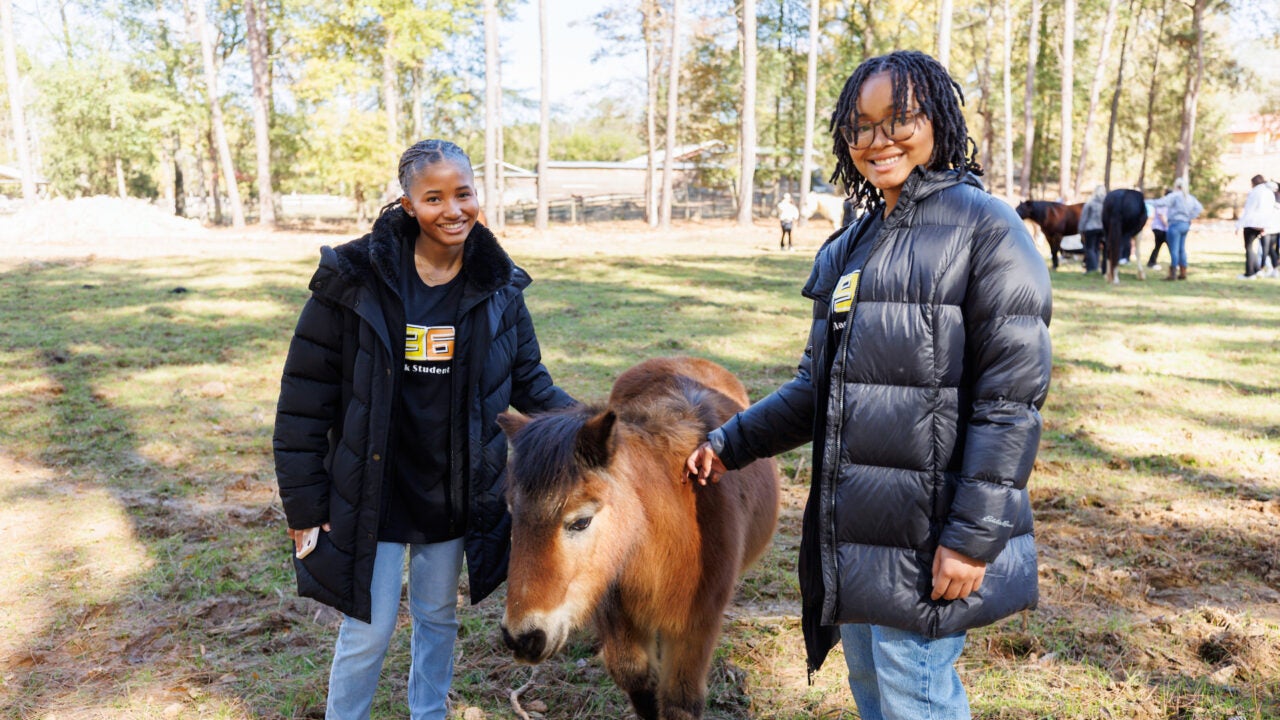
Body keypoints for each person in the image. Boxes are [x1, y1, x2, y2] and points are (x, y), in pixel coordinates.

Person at [685, 50, 1052, 720]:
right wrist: (729, 442)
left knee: (917, 698)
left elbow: (1011, 406)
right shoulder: (849, 246)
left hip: (929, 536)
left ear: (938, 118)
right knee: (876, 695)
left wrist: (971, 538)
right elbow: (814, 389)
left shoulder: (987, 231)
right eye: (860, 126)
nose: (877, 140)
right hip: (852, 535)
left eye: (899, 119)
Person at [273, 138, 576, 720]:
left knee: (439, 617)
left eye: (463, 193)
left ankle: (429, 713)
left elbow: (531, 384)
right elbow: (303, 405)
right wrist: (304, 507)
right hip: (371, 495)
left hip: (453, 495)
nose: (453, 209)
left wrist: (597, 427)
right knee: (367, 632)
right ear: (408, 203)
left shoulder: (498, 288)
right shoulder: (352, 280)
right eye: (433, 197)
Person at [1150, 176, 1204, 280]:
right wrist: (1189, 217)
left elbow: (1160, 203)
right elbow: (1199, 208)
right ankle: (1183, 272)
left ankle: (1173, 273)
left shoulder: (1175, 196)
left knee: (1174, 250)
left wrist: (1147, 202)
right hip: (1185, 224)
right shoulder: (1189, 197)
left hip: (1175, 224)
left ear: (1176, 186)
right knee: (1182, 249)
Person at [1237, 174, 1273, 279]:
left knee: (1249, 248)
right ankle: (1257, 270)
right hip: (1264, 224)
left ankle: (1250, 272)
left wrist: (1239, 224)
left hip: (1252, 223)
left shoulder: (1255, 192)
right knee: (1259, 248)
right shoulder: (1269, 192)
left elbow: (1249, 209)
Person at [1079, 184, 1106, 274]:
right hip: (1101, 229)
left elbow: (1084, 217)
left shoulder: (1090, 202)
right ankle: (1095, 267)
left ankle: (1092, 268)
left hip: (1090, 228)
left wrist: (1080, 230)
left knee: (1089, 248)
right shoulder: (1105, 203)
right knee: (1097, 248)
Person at [1145, 197, 1167, 271]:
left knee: (1158, 246)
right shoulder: (1162, 204)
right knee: (1166, 246)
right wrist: (1168, 225)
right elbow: (1162, 216)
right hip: (1160, 229)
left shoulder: (1166, 204)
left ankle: (1151, 262)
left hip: (1162, 229)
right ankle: (1176, 263)